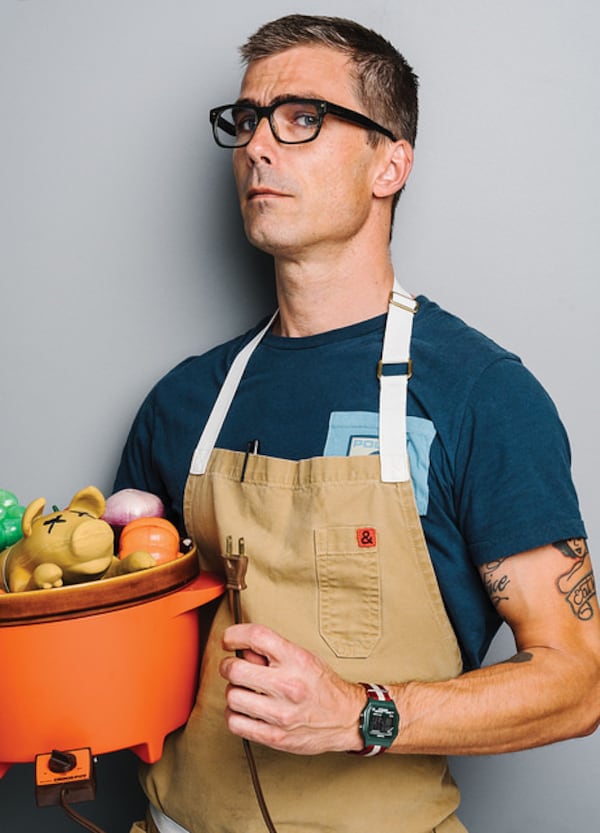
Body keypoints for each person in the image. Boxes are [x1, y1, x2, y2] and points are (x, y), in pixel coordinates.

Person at [116, 14, 600, 833]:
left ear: (390, 164)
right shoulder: (184, 402)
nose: (257, 147)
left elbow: (577, 681)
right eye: (247, 120)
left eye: (302, 118)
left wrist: (357, 714)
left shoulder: (479, 394)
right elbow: (125, 639)